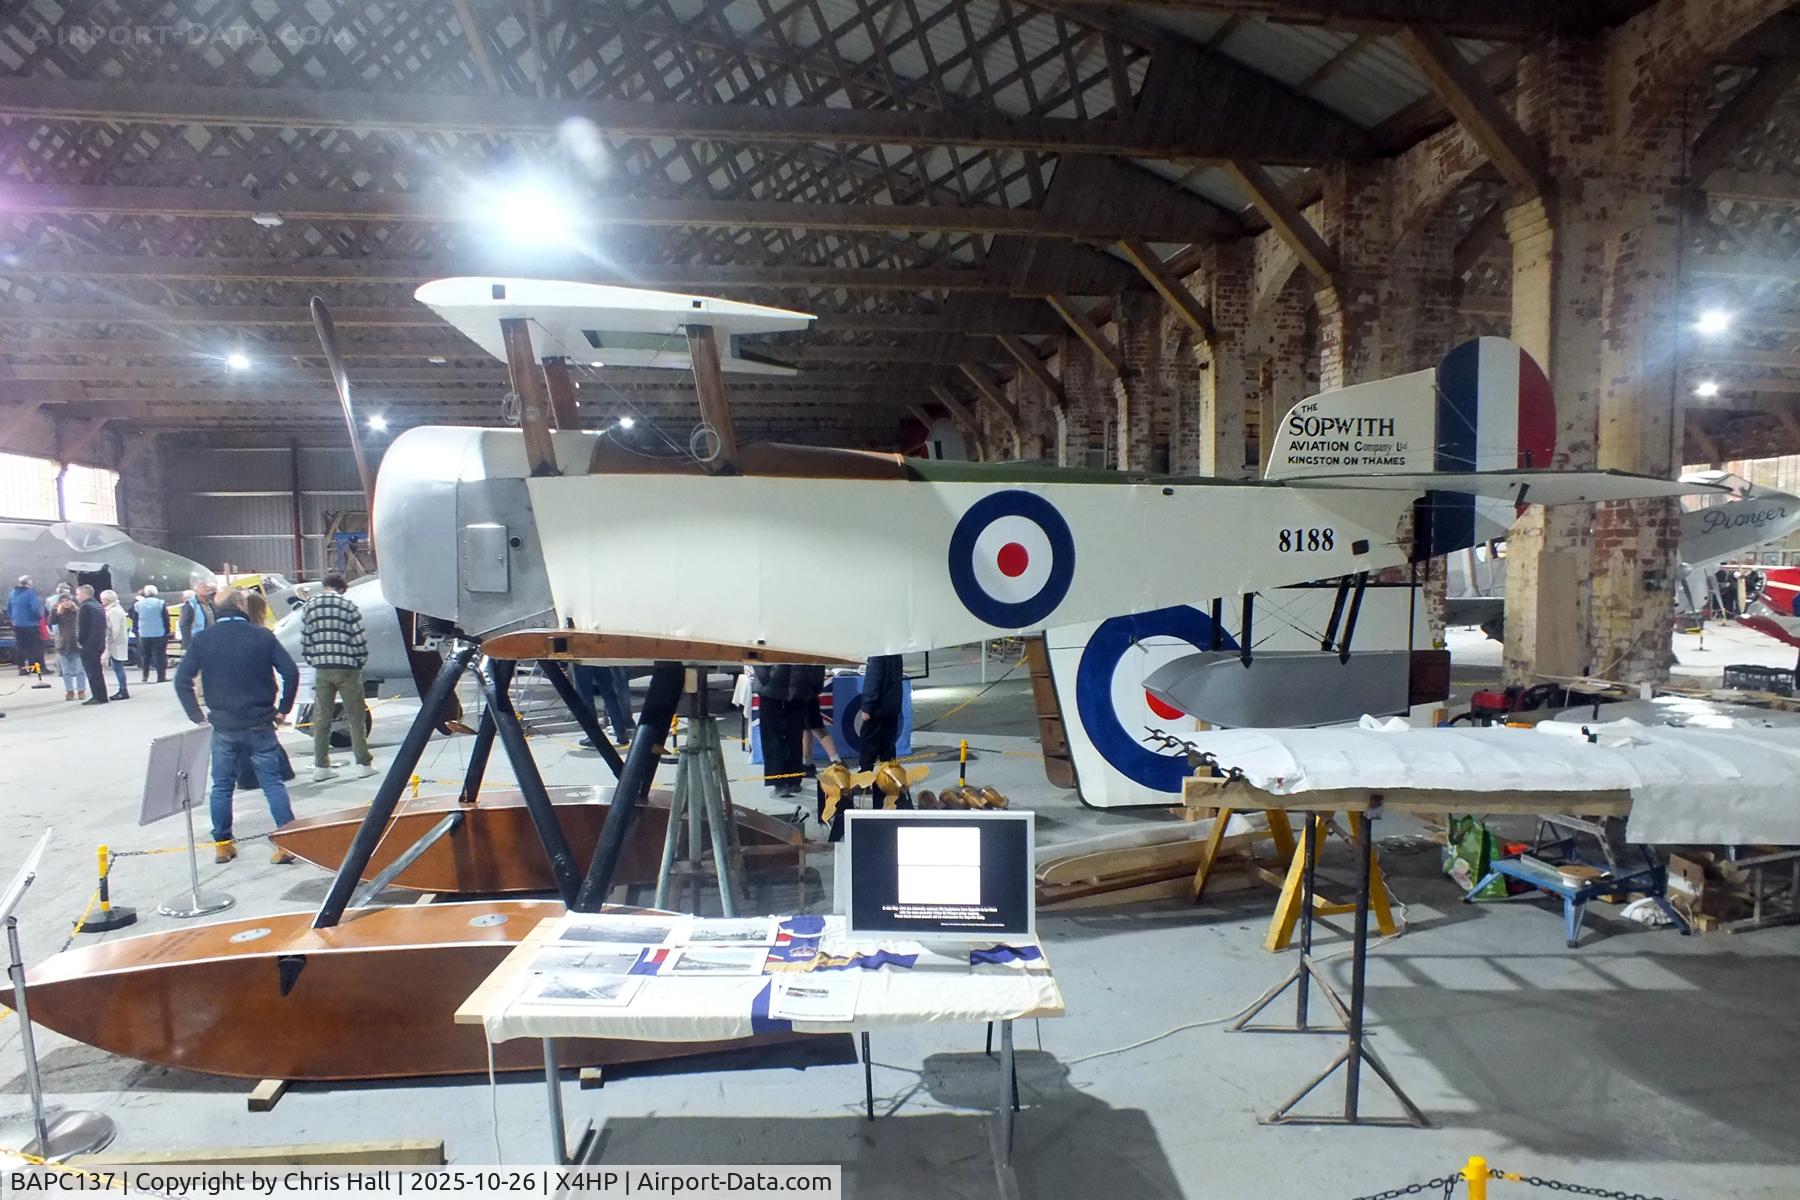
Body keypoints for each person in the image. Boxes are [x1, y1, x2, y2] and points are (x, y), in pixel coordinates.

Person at [175, 588, 300, 864]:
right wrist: (282, 710)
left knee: (221, 786)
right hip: (260, 723)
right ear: (241, 606)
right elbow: (290, 672)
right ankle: (288, 843)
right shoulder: (262, 636)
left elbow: (181, 680)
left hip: (224, 725)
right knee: (272, 783)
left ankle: (223, 844)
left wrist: (197, 715)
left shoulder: (202, 639)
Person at [300, 572, 376, 782]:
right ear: (342, 588)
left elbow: (306, 641)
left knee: (322, 718)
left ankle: (321, 767)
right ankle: (363, 764)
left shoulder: (310, 606)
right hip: (348, 668)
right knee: (355, 717)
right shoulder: (348, 606)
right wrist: (359, 662)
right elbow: (359, 640)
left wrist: (314, 661)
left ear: (325, 585)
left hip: (322, 669)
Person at [752, 664, 809, 798]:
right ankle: (779, 781)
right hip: (771, 688)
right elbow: (755, 651)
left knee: (795, 736)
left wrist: (814, 681)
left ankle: (793, 779)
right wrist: (766, 677)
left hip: (798, 687)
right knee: (772, 736)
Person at [794, 664, 844, 778]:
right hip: (808, 685)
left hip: (805, 685)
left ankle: (836, 760)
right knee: (807, 726)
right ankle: (807, 763)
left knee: (816, 726)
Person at [857, 653, 904, 771]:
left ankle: (864, 783)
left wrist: (867, 706)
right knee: (888, 750)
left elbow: (873, 680)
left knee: (868, 748)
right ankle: (887, 783)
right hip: (892, 707)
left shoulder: (877, 655)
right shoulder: (896, 653)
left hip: (878, 709)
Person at [573, 664, 635, 749]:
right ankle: (621, 732)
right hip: (600, 659)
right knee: (609, 694)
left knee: (586, 697)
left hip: (582, 659)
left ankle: (593, 736)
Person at [75, 585, 108, 706]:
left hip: (89, 644)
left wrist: (80, 641)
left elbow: (84, 628)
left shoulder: (85, 607)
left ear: (84, 594)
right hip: (99, 643)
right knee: (98, 671)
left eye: (78, 594)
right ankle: (102, 695)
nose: (76, 597)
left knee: (92, 672)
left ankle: (97, 696)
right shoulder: (98, 606)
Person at [8, 576, 44, 677]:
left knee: (20, 646)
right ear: (28, 583)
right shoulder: (30, 594)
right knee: (35, 647)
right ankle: (35, 668)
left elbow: (9, 608)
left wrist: (13, 619)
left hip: (17, 624)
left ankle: (22, 668)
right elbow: (35, 608)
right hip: (31, 624)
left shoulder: (12, 594)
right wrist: (38, 617)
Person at [51, 593, 84, 701]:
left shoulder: (77, 612)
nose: (66, 603)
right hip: (63, 645)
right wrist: (53, 611)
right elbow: (51, 622)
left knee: (79, 670)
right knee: (66, 671)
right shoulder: (59, 613)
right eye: (63, 601)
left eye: (68, 600)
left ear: (72, 601)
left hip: (76, 644)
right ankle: (69, 691)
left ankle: (81, 690)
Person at [133, 585, 169, 683]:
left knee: (146, 655)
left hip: (144, 633)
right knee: (160, 655)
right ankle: (161, 677)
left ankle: (145, 675)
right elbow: (165, 618)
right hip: (159, 632)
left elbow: (135, 619)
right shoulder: (160, 603)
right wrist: (167, 630)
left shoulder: (138, 605)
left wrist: (137, 630)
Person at [101, 589, 131, 701]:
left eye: (103, 599)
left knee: (118, 666)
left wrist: (110, 641)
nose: (102, 601)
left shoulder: (113, 611)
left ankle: (123, 690)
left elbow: (115, 629)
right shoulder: (117, 608)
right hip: (118, 641)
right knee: (117, 666)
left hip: (116, 643)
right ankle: (122, 689)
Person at [178, 578, 217, 644]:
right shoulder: (190, 605)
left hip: (212, 638)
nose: (207, 589)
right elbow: (184, 625)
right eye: (203, 587)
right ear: (196, 590)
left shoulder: (212, 603)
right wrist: (187, 643)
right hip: (197, 639)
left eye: (208, 587)